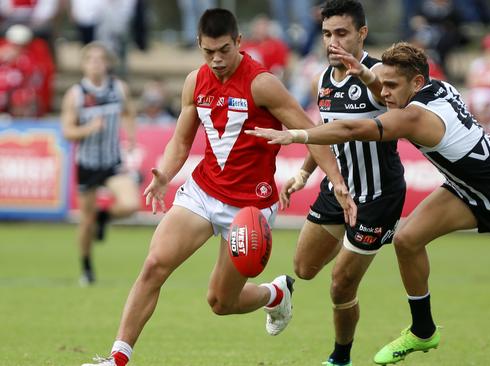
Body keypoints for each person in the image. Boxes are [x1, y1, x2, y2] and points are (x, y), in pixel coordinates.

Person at [247, 42, 490, 366]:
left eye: (392, 85)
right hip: (465, 189)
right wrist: (367, 74)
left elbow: (351, 128)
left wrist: (297, 135)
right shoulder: (437, 87)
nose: (385, 92)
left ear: (417, 82)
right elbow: (380, 94)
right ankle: (423, 330)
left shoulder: (414, 119)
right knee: (406, 241)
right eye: (384, 83)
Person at [80, 8, 353, 366]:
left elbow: (313, 135)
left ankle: (274, 294)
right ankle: (117, 359)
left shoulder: (262, 83)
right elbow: (180, 141)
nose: (218, 59)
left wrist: (337, 183)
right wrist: (164, 172)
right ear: (199, 46)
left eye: (224, 49)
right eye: (209, 52)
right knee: (153, 266)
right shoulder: (196, 81)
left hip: (249, 209)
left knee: (221, 303)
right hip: (203, 191)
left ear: (239, 42)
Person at [281, 1, 406, 365]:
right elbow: (325, 132)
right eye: (326, 34)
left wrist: (364, 75)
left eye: (341, 33)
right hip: (339, 188)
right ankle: (353, 246)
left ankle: (341, 357)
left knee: (340, 284)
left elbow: (387, 95)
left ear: (361, 34)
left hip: (379, 195)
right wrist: (304, 174)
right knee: (303, 268)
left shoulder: (378, 72)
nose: (332, 42)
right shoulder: (322, 79)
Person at [60, 41, 140, 286]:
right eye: (91, 59)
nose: (96, 63)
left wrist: (130, 137)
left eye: (100, 59)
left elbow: (128, 112)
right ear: (84, 64)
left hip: (111, 160)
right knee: (85, 221)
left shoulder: (119, 88)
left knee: (131, 204)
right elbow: (67, 131)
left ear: (107, 63)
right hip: (87, 163)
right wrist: (88, 128)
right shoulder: (76, 94)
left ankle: (103, 218)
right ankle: (86, 267)